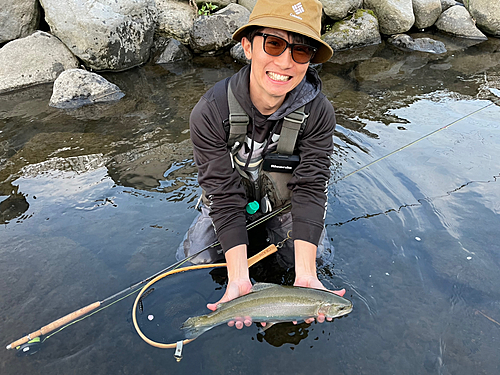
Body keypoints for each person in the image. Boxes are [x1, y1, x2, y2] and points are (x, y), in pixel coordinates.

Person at [177, 0, 345, 329]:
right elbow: (222, 196)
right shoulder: (210, 111)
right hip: (227, 201)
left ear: (310, 59)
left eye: (301, 50)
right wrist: (239, 281)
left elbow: (311, 189)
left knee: (315, 259)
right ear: (247, 46)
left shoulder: (318, 112)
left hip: (285, 205)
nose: (285, 62)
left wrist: (306, 275)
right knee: (194, 261)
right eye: (274, 43)